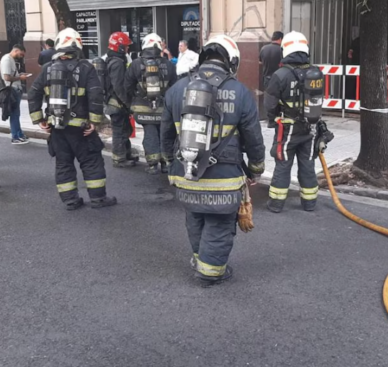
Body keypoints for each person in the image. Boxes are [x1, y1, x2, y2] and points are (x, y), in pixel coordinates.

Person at [161, 34, 266, 286]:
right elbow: (253, 137)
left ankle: (201, 258)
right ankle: (210, 271)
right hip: (224, 178)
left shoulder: (176, 89)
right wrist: (255, 169)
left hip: (185, 173)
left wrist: (169, 164)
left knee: (195, 216)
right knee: (219, 223)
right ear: (231, 61)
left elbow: (165, 134)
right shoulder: (240, 92)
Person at [29, 28, 117, 210]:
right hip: (81, 128)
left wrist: (40, 120)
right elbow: (95, 95)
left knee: (63, 163)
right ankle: (98, 199)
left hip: (57, 128)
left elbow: (33, 94)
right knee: (91, 161)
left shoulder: (47, 69)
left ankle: (70, 201)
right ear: (77, 46)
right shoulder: (86, 68)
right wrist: (94, 122)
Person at [265, 31, 322, 213]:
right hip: (311, 128)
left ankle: (276, 203)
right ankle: (309, 203)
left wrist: (273, 119)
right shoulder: (315, 73)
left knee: (283, 164)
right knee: (308, 165)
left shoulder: (280, 75)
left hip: (287, 129)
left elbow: (270, 104)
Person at [124, 33, 177, 175]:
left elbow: (127, 86)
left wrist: (131, 103)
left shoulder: (135, 64)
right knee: (164, 134)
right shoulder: (168, 64)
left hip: (143, 107)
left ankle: (152, 164)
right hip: (164, 109)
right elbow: (175, 87)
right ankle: (166, 164)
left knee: (150, 134)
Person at [95, 31, 139, 168]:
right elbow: (119, 86)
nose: (128, 49)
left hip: (116, 103)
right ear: (119, 47)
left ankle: (126, 153)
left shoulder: (114, 60)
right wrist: (127, 103)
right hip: (117, 104)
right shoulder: (117, 63)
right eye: (125, 46)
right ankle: (119, 159)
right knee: (119, 131)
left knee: (125, 129)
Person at [1, 44, 29, 145]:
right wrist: (20, 78)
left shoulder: (11, 60)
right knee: (14, 114)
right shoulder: (7, 60)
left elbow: (11, 75)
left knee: (16, 114)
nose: (21, 57)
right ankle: (15, 136)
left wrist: (19, 75)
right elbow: (7, 77)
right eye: (21, 54)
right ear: (16, 51)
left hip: (15, 89)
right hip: (11, 90)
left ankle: (19, 134)